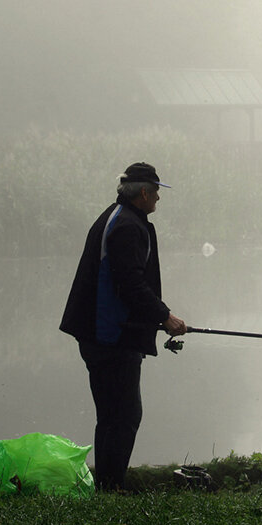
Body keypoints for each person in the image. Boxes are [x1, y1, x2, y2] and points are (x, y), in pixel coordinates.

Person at [59, 161, 188, 492]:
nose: (159, 198)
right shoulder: (127, 226)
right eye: (157, 191)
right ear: (143, 192)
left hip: (101, 334)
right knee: (125, 415)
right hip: (111, 336)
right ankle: (111, 486)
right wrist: (165, 316)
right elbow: (130, 283)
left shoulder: (116, 217)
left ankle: (107, 485)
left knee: (112, 415)